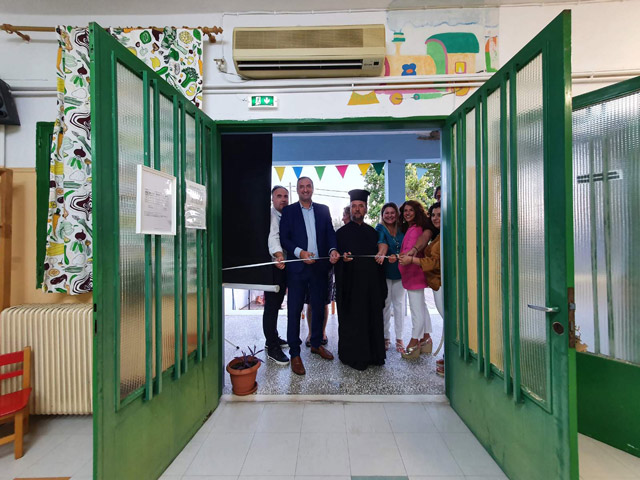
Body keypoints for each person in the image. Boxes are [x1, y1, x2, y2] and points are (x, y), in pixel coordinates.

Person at [279, 176, 340, 375]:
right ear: (297, 190)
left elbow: (330, 233)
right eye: (301, 187)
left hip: (319, 268)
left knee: (319, 307)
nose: (305, 189)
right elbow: (284, 239)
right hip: (297, 268)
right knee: (294, 310)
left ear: (313, 188)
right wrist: (300, 253)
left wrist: (332, 249)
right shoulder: (289, 211)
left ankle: (316, 344)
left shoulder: (323, 210)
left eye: (308, 186)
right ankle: (295, 353)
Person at [334, 189, 388, 371]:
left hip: (370, 288)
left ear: (366, 209)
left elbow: (380, 260)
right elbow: (335, 259)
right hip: (350, 288)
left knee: (371, 319)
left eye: (361, 206)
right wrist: (343, 259)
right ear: (350, 209)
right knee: (352, 321)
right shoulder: (340, 234)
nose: (357, 209)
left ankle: (374, 355)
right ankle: (353, 356)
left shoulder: (373, 233)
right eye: (354, 206)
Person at [406, 202, 443, 375]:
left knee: (447, 319)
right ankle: (444, 353)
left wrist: (412, 259)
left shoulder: (443, 236)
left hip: (439, 280)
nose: (435, 218)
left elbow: (436, 262)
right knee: (443, 316)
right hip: (435, 281)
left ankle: (417, 342)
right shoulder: (437, 234)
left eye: (440, 215)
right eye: (433, 215)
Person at [397, 200, 433, 359]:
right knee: (421, 307)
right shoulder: (413, 228)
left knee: (416, 309)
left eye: (410, 210)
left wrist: (404, 256)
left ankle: (414, 341)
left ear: (417, 211)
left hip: (414, 274)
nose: (407, 213)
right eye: (405, 211)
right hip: (413, 274)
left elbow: (412, 252)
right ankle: (426, 338)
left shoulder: (416, 229)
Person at [263, 185, 290, 365]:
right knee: (272, 306)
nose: (283, 199)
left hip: (284, 265)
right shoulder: (271, 215)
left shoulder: (286, 215)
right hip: (275, 266)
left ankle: (272, 338)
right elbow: (273, 237)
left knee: (277, 303)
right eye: (279, 196)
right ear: (272, 199)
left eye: (285, 196)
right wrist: (278, 255)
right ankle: (272, 347)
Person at [374, 203, 404, 353]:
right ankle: (386, 336)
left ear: (397, 214)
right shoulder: (380, 228)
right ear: (382, 214)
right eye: (387, 213)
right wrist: (382, 253)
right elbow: (381, 243)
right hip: (385, 272)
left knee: (399, 305)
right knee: (385, 305)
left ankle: (400, 338)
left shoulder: (402, 228)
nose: (390, 215)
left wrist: (397, 256)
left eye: (393, 212)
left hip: (401, 272)